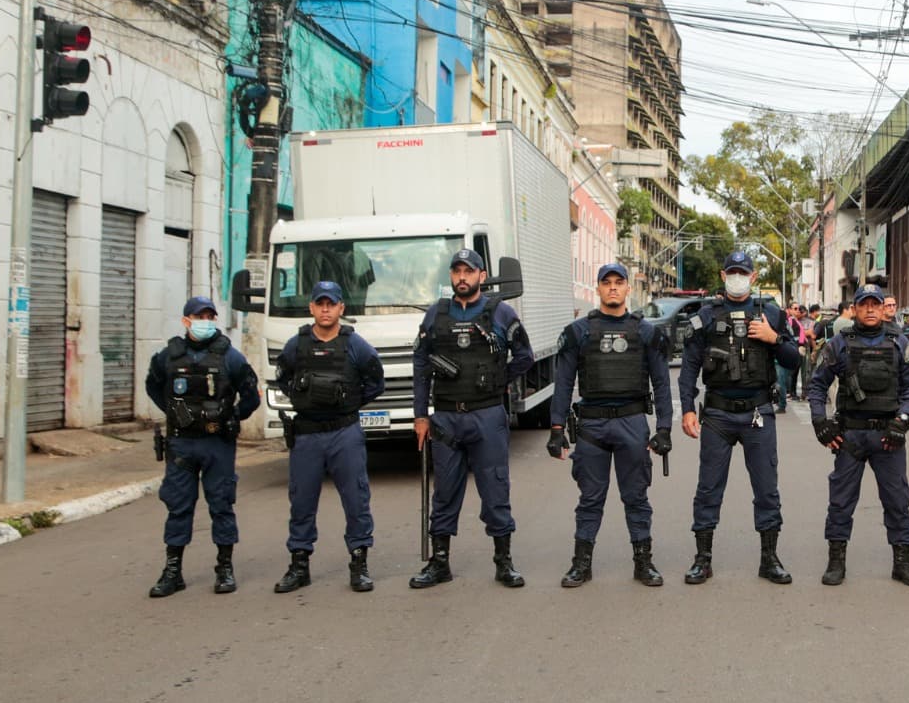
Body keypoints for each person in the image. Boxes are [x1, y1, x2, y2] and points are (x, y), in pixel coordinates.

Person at [411, 248, 535, 589]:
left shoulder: (500, 313)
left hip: (487, 415)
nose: (462, 277)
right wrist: (420, 415)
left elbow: (525, 356)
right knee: (445, 492)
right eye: (457, 271)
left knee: (495, 488)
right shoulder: (436, 315)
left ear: (482, 275)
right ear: (451, 276)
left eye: (469, 271)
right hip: (447, 418)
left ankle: (503, 562)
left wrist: (500, 380)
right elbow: (420, 366)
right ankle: (439, 563)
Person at [547, 263, 674, 587]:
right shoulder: (578, 332)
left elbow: (661, 383)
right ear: (599, 288)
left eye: (619, 282)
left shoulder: (646, 332)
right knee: (590, 499)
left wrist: (664, 428)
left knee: (636, 498)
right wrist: (557, 429)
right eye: (607, 283)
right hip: (592, 427)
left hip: (632, 424)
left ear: (628, 288)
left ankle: (643, 562)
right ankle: (581, 564)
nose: (613, 288)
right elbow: (563, 383)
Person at [679, 251, 801, 585]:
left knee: (766, 490)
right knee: (708, 489)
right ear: (722, 275)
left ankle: (769, 559)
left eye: (742, 272)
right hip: (717, 414)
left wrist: (774, 339)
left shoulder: (772, 314)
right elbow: (689, 366)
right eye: (731, 271)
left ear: (754, 276)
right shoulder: (705, 316)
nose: (737, 277)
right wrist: (687, 408)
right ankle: (702, 559)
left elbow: (794, 361)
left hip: (758, 413)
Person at [271, 281, 386, 593]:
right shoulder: (297, 345)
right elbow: (283, 377)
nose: (325, 309)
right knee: (302, 501)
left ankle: (359, 563)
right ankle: (299, 565)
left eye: (331, 304)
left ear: (340, 309)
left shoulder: (355, 345)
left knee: (356, 499)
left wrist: (348, 403)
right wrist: (305, 400)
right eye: (319, 304)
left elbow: (376, 380)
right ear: (311, 308)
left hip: (343, 432)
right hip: (307, 434)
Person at [144, 296, 261, 598]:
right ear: (186, 321)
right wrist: (173, 412)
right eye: (199, 316)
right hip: (182, 443)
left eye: (210, 316)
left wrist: (233, 417)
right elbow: (153, 385)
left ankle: (224, 567)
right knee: (178, 506)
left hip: (217, 443)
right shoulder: (168, 357)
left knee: (221, 504)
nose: (205, 321)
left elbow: (251, 394)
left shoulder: (230, 357)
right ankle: (173, 571)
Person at [808, 284, 909, 587]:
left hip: (888, 436)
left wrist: (902, 418)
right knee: (840, 501)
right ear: (855, 309)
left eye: (876, 304)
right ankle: (836, 562)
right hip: (850, 436)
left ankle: (903, 562)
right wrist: (820, 422)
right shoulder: (839, 343)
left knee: (898, 500)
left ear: (884, 307)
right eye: (864, 304)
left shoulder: (899, 342)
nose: (870, 309)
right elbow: (817, 384)